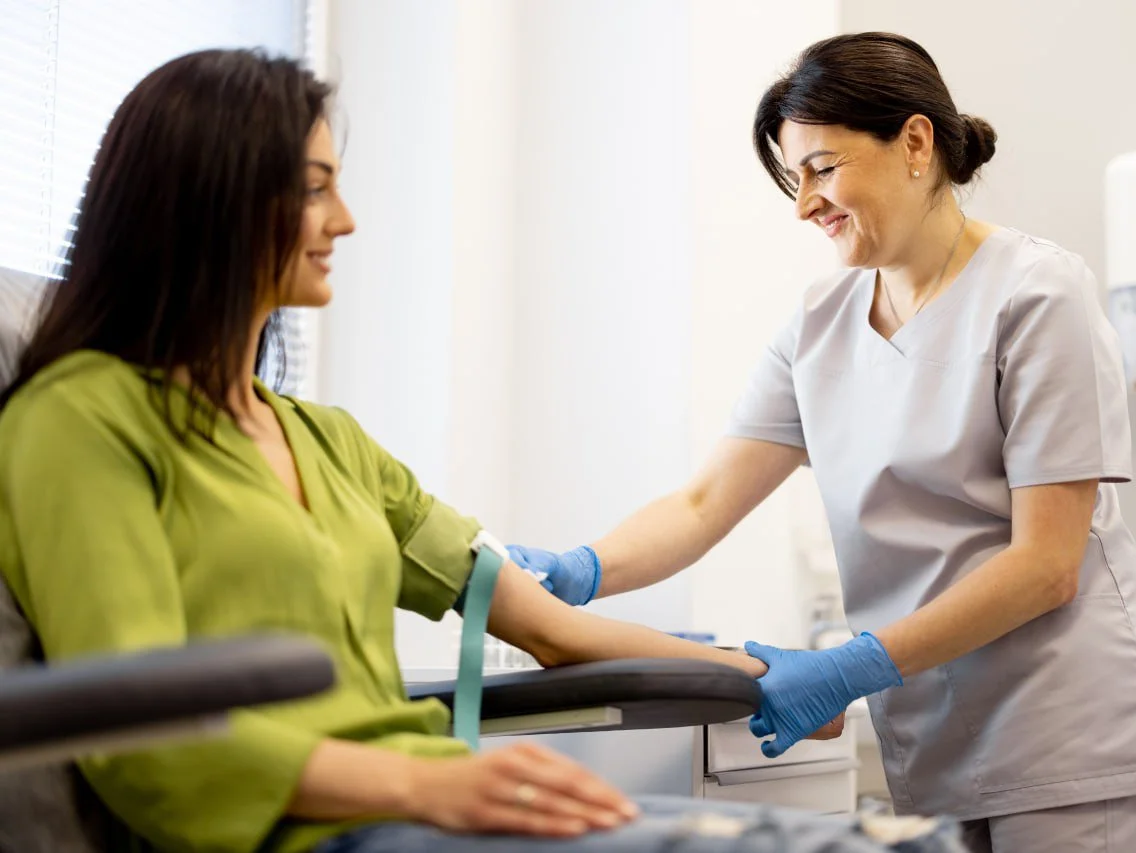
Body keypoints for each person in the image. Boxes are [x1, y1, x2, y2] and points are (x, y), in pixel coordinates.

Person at [0, 49, 967, 853]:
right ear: (213, 200)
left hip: (426, 801)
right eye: (316, 191)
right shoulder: (80, 418)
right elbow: (137, 727)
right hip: (315, 825)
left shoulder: (324, 440)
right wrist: (428, 788)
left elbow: (554, 626)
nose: (346, 222)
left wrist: (780, 671)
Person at [507, 32, 1136, 853]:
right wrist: (577, 571)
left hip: (1071, 735)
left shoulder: (1038, 293)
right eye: (794, 179)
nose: (805, 204)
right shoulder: (818, 325)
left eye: (823, 168)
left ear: (914, 142)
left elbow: (1045, 566)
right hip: (933, 738)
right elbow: (701, 505)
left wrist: (848, 666)